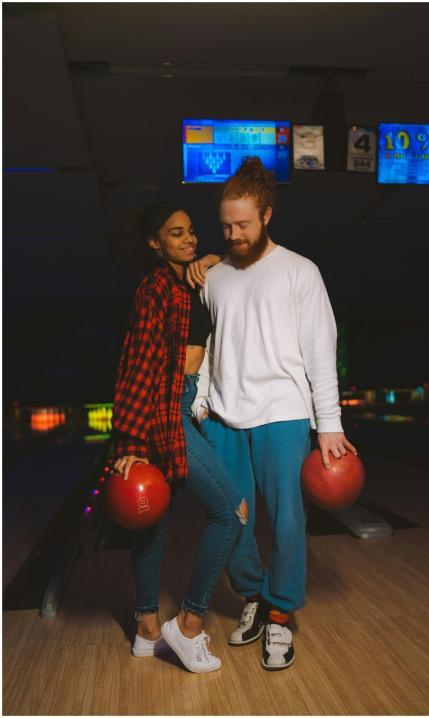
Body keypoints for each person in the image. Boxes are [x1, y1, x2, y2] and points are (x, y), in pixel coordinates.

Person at [191, 157, 357, 670]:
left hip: (283, 413)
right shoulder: (213, 277)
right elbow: (210, 344)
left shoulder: (300, 272)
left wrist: (328, 424)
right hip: (223, 414)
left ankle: (282, 613)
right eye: (225, 226)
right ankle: (253, 598)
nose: (232, 233)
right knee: (232, 520)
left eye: (242, 224)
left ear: (266, 215)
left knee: (287, 521)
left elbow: (319, 349)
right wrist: (200, 397)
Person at [111, 201, 247, 673]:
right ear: (155, 243)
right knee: (232, 511)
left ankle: (147, 632)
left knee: (157, 523)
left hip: (180, 403)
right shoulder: (154, 290)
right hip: (165, 410)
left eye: (190, 231)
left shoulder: (181, 279)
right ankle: (188, 625)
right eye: (176, 234)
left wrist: (206, 259)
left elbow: (209, 264)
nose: (189, 239)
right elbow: (138, 362)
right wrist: (129, 440)